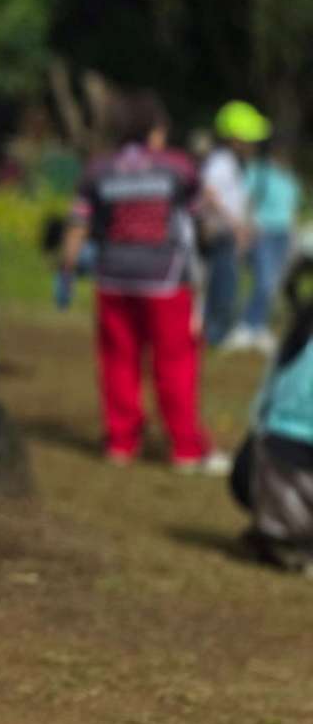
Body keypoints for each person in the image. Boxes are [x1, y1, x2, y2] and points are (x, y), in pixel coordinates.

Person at [59, 93, 229, 474]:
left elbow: (78, 224)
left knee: (118, 361)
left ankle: (121, 443)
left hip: (113, 278)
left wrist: (67, 268)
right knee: (175, 363)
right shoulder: (177, 167)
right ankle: (185, 449)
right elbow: (202, 218)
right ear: (156, 129)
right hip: (166, 280)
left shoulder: (99, 169)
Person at [231, 258, 313, 573]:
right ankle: (288, 538)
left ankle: (276, 532)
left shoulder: (301, 327)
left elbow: (262, 407)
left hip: (267, 459)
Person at [200, 101, 267, 347]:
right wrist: (235, 225)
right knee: (223, 289)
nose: (253, 145)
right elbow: (209, 194)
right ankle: (215, 336)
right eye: (249, 139)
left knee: (227, 285)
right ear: (235, 138)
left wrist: (246, 224)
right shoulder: (220, 162)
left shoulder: (232, 163)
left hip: (228, 234)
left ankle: (215, 334)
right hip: (221, 235)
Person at [236, 138, 301, 351]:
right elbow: (246, 201)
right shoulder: (258, 172)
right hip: (263, 232)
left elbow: (292, 209)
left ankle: (259, 326)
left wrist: (293, 236)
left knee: (272, 283)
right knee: (263, 280)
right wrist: (246, 228)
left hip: (283, 234)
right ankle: (247, 325)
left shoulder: (290, 179)